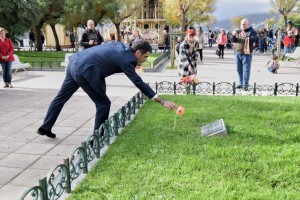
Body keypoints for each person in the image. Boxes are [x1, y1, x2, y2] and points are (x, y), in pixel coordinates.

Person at [36, 40, 177, 138]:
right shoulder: (127, 60)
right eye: (145, 56)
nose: (145, 60)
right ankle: (97, 138)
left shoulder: (121, 47)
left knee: (61, 98)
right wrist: (162, 101)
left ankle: (45, 127)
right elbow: (137, 81)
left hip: (74, 63)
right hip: (85, 71)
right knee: (103, 104)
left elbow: (104, 58)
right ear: (138, 52)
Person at [231, 18, 257, 91]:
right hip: (237, 53)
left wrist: (246, 36)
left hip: (246, 54)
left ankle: (245, 85)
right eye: (242, 24)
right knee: (239, 69)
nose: (243, 25)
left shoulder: (252, 32)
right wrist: (233, 35)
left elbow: (254, 40)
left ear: (248, 24)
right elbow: (232, 40)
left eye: (244, 24)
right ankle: (241, 83)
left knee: (246, 70)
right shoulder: (238, 31)